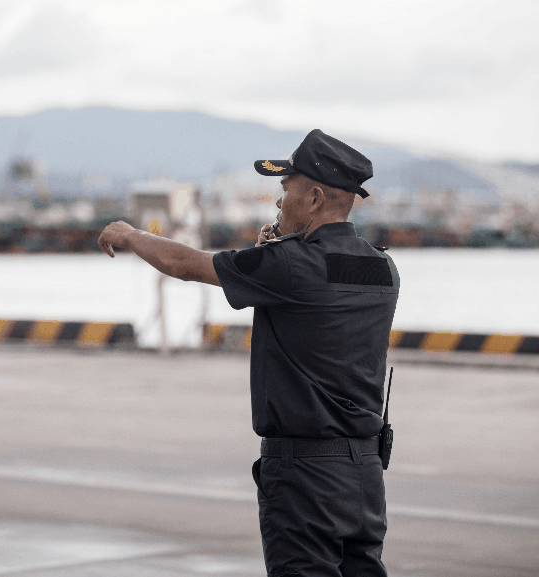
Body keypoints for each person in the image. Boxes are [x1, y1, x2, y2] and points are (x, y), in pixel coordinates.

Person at [98, 128, 400, 577]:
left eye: (285, 190)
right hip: (364, 474)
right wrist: (275, 250)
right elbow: (316, 315)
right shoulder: (382, 266)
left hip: (305, 476)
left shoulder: (291, 264)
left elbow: (187, 264)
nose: (279, 203)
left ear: (314, 198)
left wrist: (129, 233)